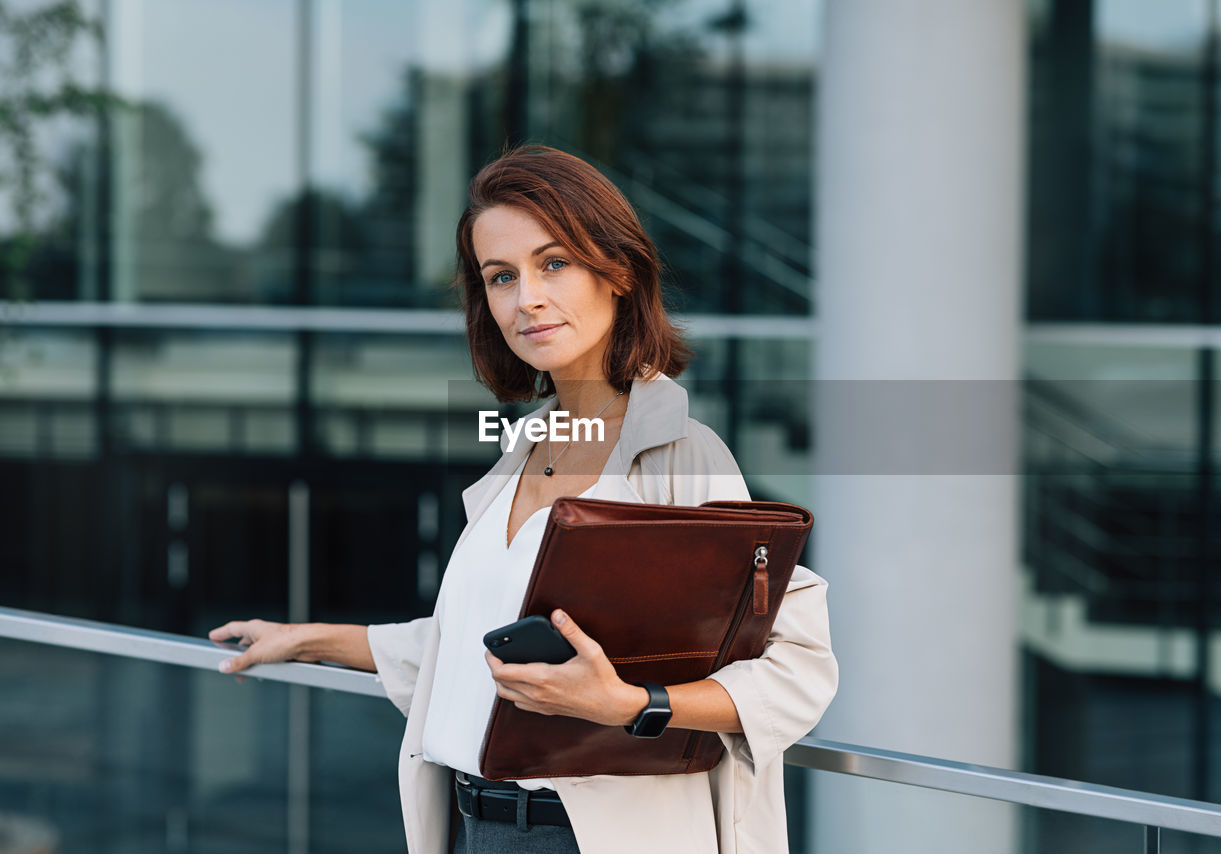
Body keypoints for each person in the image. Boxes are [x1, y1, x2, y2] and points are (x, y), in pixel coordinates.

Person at [209, 145, 837, 854]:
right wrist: (310, 640)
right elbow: (474, 645)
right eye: (501, 276)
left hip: (593, 836)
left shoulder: (680, 453)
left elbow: (798, 668)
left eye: (555, 263)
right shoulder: (526, 447)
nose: (526, 297)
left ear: (618, 271)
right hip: (477, 826)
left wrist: (634, 705)